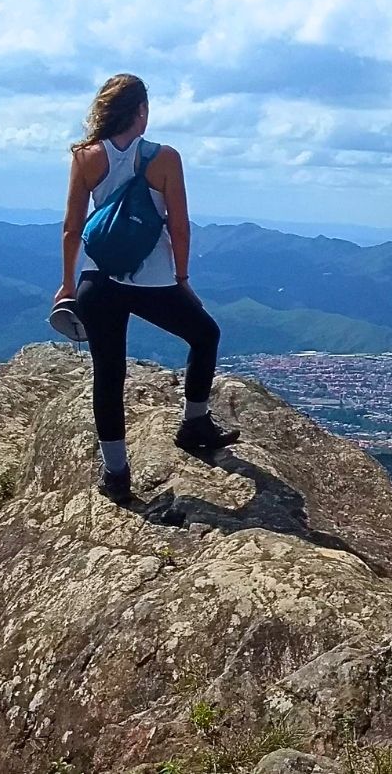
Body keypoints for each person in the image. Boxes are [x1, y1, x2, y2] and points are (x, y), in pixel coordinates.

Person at [56, 73, 239, 503]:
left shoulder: (85, 157)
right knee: (205, 334)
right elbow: (179, 226)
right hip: (152, 281)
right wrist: (182, 279)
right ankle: (194, 423)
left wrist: (67, 285)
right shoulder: (165, 158)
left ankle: (116, 475)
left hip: (98, 281)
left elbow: (72, 228)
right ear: (141, 111)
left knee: (108, 376)